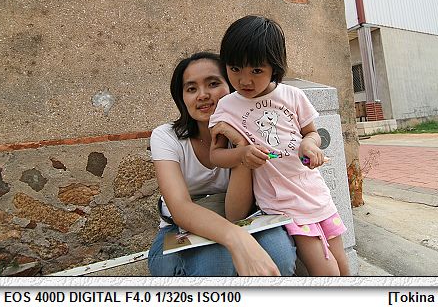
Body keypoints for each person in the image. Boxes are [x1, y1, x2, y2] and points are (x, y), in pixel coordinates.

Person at [209, 15, 351, 276]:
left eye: (256, 71)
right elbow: (215, 155)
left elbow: (312, 133)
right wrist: (242, 153)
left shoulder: (293, 95)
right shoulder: (227, 106)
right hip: (282, 201)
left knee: (342, 263)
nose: (244, 80)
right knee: (326, 269)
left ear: (274, 67)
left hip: (314, 190)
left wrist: (309, 145)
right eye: (235, 69)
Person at [147, 51, 297, 276]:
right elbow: (180, 208)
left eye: (213, 83)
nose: (202, 95)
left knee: (280, 255)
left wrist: (241, 146)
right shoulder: (166, 137)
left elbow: (237, 213)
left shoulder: (252, 129)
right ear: (182, 98)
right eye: (191, 89)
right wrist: (236, 238)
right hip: (181, 227)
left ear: (232, 87)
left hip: (243, 217)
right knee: (215, 262)